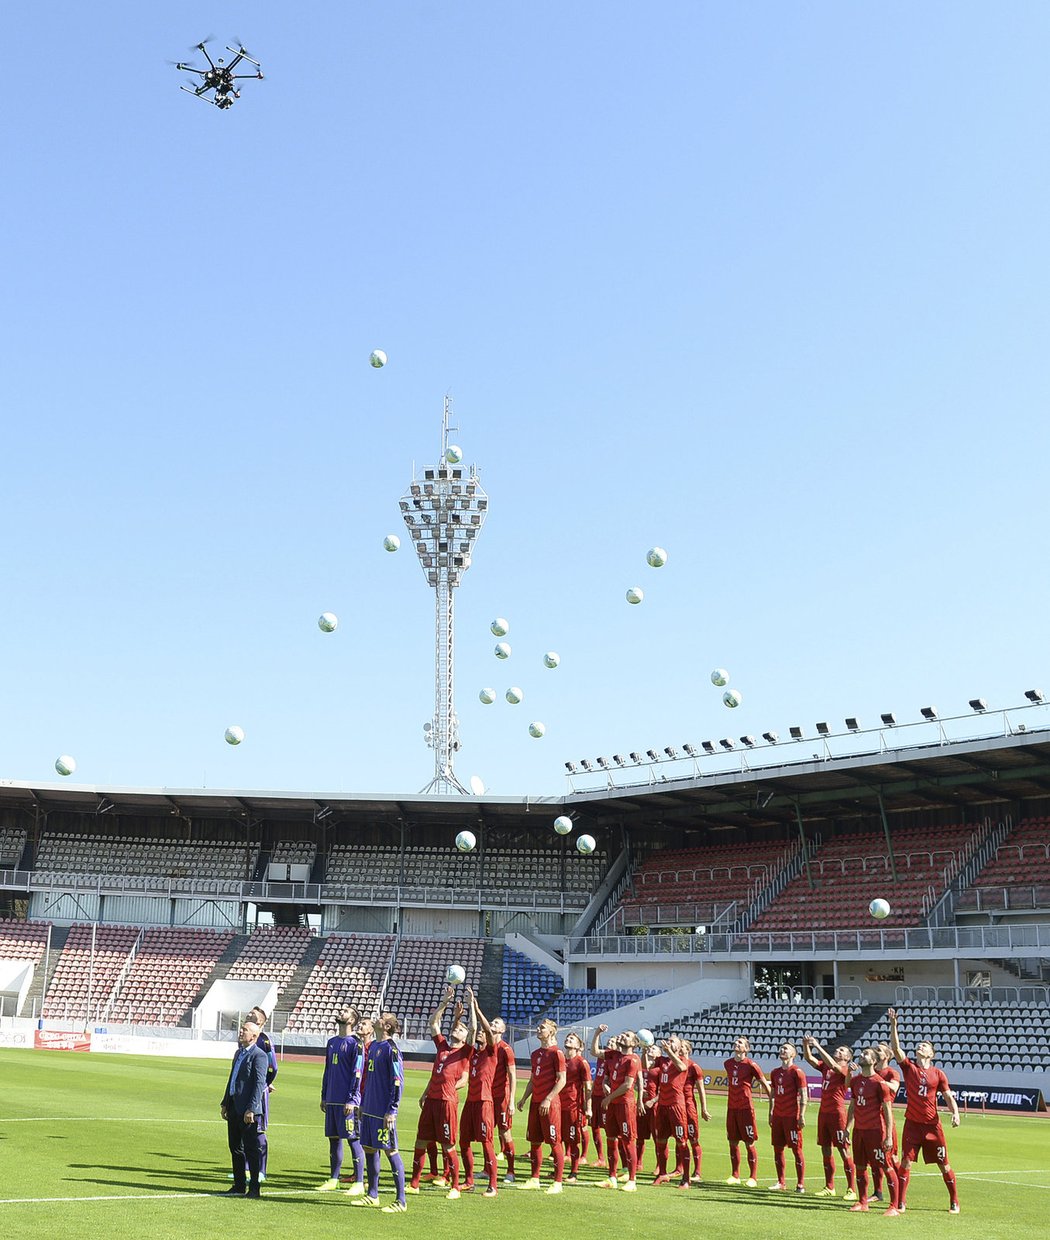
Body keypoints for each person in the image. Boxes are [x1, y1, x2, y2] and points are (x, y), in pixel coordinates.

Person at [887, 1008, 961, 1214]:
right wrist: (894, 1026)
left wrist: (955, 1113)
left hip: (932, 1126)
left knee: (944, 1165)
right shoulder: (909, 1067)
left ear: (931, 1054)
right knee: (906, 1162)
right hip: (912, 1124)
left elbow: (947, 1096)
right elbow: (896, 1049)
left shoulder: (938, 1074)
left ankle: (954, 1200)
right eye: (920, 1044)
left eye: (925, 1046)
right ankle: (901, 1202)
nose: (920, 1046)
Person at [409, 986, 475, 1198]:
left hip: (447, 1103)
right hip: (432, 1101)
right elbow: (433, 1023)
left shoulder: (465, 1052)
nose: (457, 1030)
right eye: (457, 1028)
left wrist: (472, 1005)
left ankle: (455, 1186)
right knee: (421, 1141)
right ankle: (414, 1183)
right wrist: (445, 1002)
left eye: (461, 1030)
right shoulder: (443, 1047)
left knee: (448, 1145)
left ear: (465, 1037)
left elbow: (473, 1030)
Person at [352, 1010, 408, 1212]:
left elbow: (397, 1082)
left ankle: (401, 1201)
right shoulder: (373, 1046)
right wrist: (363, 1104)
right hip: (369, 1110)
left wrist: (392, 1110)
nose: (377, 1018)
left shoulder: (391, 1049)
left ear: (386, 1026)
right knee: (369, 1148)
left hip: (384, 1111)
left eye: (381, 1018)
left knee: (390, 1150)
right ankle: (372, 1195)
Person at [844, 1047, 900, 1215]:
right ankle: (862, 1202)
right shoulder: (855, 1081)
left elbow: (888, 1110)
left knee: (886, 1166)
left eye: (866, 1054)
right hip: (859, 1131)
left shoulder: (880, 1084)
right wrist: (847, 1129)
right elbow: (852, 1107)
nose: (862, 1055)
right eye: (862, 1053)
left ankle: (894, 1206)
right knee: (860, 1166)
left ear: (874, 1061)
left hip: (876, 1131)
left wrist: (889, 1136)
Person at [316, 1004, 365, 1195]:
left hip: (347, 1101)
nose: (340, 1012)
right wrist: (324, 1095)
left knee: (353, 1139)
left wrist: (353, 1099)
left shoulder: (356, 1044)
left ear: (352, 1020)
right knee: (333, 1139)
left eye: (345, 1011)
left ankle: (359, 1182)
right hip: (332, 1099)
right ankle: (334, 1178)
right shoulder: (331, 1042)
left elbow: (357, 1073)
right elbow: (327, 1070)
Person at [802, 1035, 857, 1199]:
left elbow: (833, 1065)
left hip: (837, 1113)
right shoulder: (825, 1067)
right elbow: (809, 1059)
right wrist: (806, 1045)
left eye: (842, 1051)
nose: (838, 1051)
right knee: (826, 1149)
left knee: (843, 1150)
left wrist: (817, 1046)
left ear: (847, 1058)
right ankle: (830, 1186)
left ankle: (851, 1189)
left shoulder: (846, 1070)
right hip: (824, 1113)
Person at [517, 1017, 567, 1192]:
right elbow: (532, 1079)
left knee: (554, 1142)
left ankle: (558, 1183)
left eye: (542, 1028)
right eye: (538, 1027)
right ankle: (534, 1178)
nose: (538, 1030)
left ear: (551, 1032)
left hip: (550, 1104)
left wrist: (548, 1098)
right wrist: (524, 1098)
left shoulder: (557, 1054)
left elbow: (562, 1080)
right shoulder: (535, 1054)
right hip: (535, 1103)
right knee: (535, 1141)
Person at [219, 1019, 269, 1198]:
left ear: (254, 1036)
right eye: (241, 1029)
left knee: (251, 1149)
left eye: (245, 1030)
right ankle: (239, 1184)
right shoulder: (238, 1053)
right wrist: (225, 1102)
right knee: (235, 1148)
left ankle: (254, 1187)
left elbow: (258, 1084)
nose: (241, 1031)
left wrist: (252, 1109)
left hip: (247, 1110)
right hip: (234, 1106)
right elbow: (232, 1079)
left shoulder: (259, 1055)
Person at [459, 988, 499, 1196]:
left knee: (486, 1142)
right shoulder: (472, 1053)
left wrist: (477, 1007)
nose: (482, 1034)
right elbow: (473, 1030)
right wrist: (469, 1008)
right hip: (470, 1102)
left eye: (485, 1033)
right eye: (481, 1034)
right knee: (463, 1141)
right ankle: (469, 1180)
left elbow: (488, 1032)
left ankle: (493, 1185)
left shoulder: (491, 1052)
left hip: (484, 1102)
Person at [591, 1025, 641, 1191]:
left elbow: (627, 1085)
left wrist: (609, 1097)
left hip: (625, 1105)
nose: (623, 1036)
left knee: (628, 1141)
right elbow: (595, 1052)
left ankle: (632, 1180)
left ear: (634, 1042)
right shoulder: (613, 1055)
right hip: (612, 1104)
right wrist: (597, 1033)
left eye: (627, 1035)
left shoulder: (633, 1059)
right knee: (611, 1139)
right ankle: (612, 1177)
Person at [723, 1035, 772, 1187]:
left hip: (746, 1108)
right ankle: (735, 1175)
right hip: (732, 1108)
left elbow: (764, 1084)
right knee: (732, 1142)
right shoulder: (728, 1063)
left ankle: (753, 1177)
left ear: (746, 1048)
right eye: (736, 1041)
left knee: (749, 1143)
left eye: (740, 1043)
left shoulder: (751, 1065)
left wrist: (773, 1103)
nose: (736, 1044)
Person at [768, 1041, 808, 1193]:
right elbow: (772, 1094)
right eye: (782, 1048)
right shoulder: (775, 1072)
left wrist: (802, 1115)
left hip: (791, 1117)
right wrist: (771, 1112)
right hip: (778, 1116)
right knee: (777, 1149)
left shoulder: (797, 1072)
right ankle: (781, 1182)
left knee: (796, 1150)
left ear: (793, 1054)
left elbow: (804, 1094)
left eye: (786, 1048)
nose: (782, 1050)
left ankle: (800, 1184)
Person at [652, 1036, 692, 1188]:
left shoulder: (683, 1059)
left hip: (676, 1106)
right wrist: (644, 1050)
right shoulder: (662, 1060)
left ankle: (686, 1178)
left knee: (681, 1142)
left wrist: (669, 1052)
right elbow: (646, 1065)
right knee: (661, 1141)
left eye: (672, 1041)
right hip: (662, 1105)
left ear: (679, 1046)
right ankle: (662, 1173)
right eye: (667, 1041)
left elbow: (682, 1067)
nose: (668, 1043)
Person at [248, 1006, 277, 1181]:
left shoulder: (264, 1041)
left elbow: (273, 1067)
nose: (248, 1015)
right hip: (246, 1091)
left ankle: (261, 1171)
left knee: (258, 1130)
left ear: (260, 1021)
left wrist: (266, 1083)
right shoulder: (245, 1039)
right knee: (246, 1129)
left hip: (259, 1092)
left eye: (252, 1014)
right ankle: (246, 1169)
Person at [490, 1015, 518, 1183]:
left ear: (502, 1030)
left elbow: (513, 1075)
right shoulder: (487, 1047)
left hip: (502, 1097)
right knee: (486, 1134)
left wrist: (512, 1100)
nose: (493, 1023)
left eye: (496, 1023)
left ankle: (511, 1171)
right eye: (492, 1022)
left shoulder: (506, 1049)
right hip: (487, 1097)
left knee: (505, 1132)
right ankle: (488, 1169)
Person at [562, 1031, 592, 1183]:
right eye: (568, 1037)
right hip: (558, 1106)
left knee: (573, 1140)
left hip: (574, 1107)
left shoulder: (581, 1063)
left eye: (572, 1039)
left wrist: (588, 1107)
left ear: (578, 1046)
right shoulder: (560, 1059)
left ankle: (574, 1172)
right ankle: (558, 1170)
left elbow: (588, 1087)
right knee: (557, 1140)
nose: (568, 1039)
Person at [871, 1041, 900, 1202]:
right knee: (875, 1159)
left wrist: (878, 1081)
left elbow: (894, 1087)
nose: (876, 1051)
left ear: (887, 1056)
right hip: (871, 1121)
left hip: (885, 1120)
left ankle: (898, 1194)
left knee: (891, 1158)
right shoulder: (872, 1072)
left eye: (879, 1050)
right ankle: (878, 1192)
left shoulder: (891, 1073)